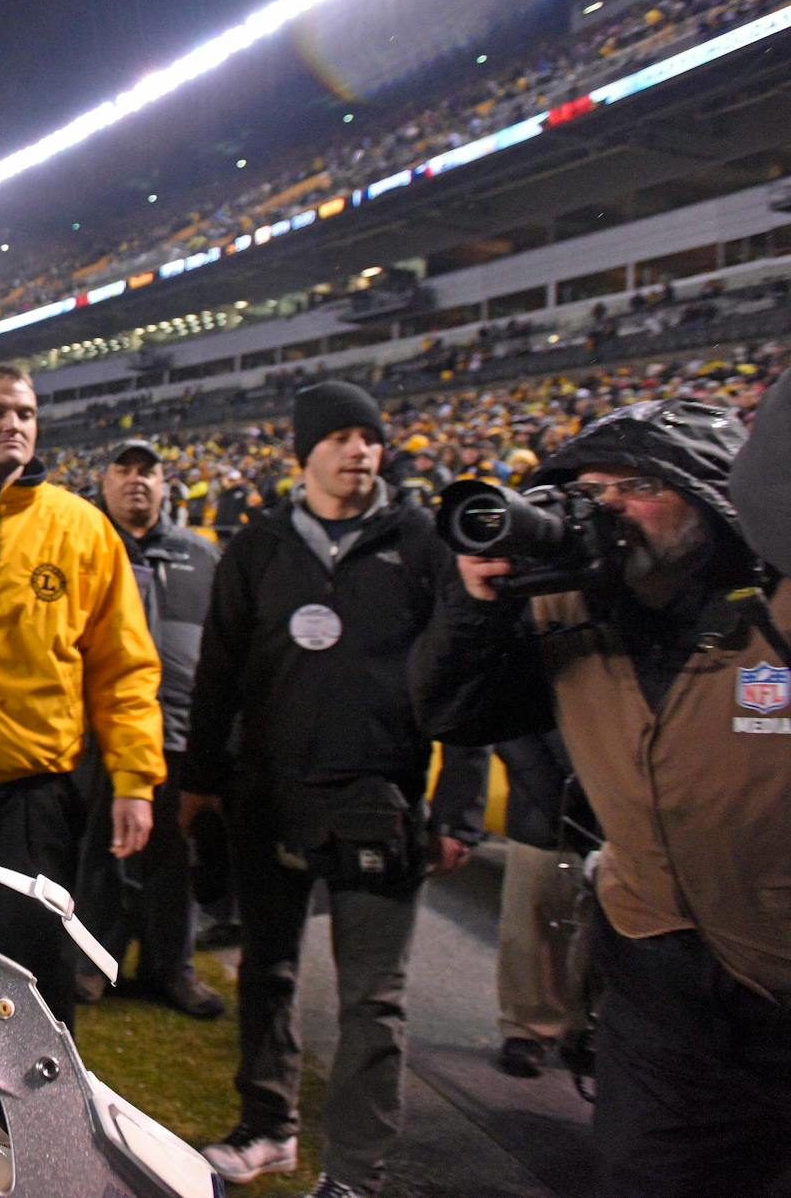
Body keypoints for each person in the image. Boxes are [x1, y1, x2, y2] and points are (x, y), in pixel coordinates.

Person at [412, 398, 791, 1195]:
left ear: (713, 496)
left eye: (635, 485)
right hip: (660, 989)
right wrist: (475, 606)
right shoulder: (565, 604)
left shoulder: (776, 611)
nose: (606, 509)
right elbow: (457, 710)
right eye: (589, 490)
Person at [183, 380, 488, 1198]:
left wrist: (458, 804)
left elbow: (464, 673)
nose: (360, 450)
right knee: (266, 973)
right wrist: (200, 782)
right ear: (305, 451)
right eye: (342, 437)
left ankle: (354, 1173)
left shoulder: (421, 541)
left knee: (373, 1002)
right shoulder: (258, 544)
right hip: (267, 795)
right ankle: (268, 1127)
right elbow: (220, 671)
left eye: (370, 437)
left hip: (380, 801)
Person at [0, 364, 165, 1030]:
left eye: (25, 413)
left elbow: (123, 666)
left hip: (32, 793)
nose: (13, 424)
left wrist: (134, 778)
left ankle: (41, 1124)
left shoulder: (82, 528)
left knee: (34, 980)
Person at [72, 436, 225, 1019]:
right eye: (124, 469)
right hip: (97, 730)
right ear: (105, 482)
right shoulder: (81, 540)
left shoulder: (202, 554)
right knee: (97, 854)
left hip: (179, 729)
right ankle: (90, 963)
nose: (137, 480)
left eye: (149, 472)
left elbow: (223, 641)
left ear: (166, 485)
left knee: (173, 858)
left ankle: (173, 969)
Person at [489, 729, 597, 1079]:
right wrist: (557, 793)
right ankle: (529, 1029)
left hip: (611, 811)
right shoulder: (541, 673)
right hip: (543, 808)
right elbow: (513, 734)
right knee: (530, 922)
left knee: (602, 930)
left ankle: (587, 1026)